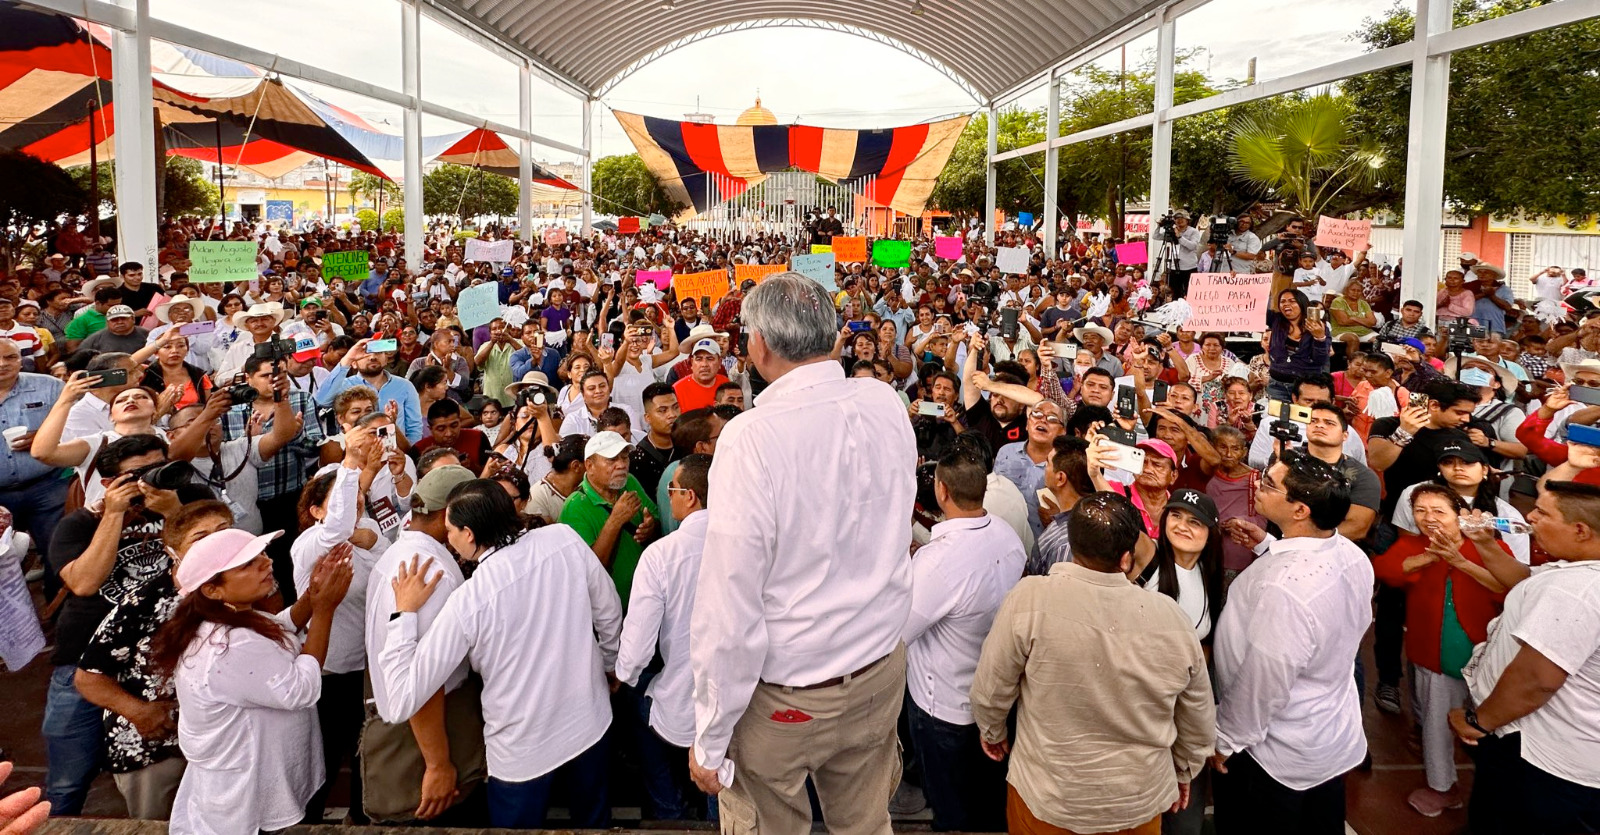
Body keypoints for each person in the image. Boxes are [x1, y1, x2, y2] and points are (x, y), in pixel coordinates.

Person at [688, 273, 916, 835]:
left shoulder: (750, 437)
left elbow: (730, 608)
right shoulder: (883, 402)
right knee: (866, 823)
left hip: (789, 697)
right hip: (878, 671)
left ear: (757, 344)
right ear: (835, 339)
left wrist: (711, 737)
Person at [379, 484, 624, 829]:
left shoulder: (470, 601)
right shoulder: (564, 540)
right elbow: (609, 611)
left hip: (522, 753)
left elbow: (404, 698)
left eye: (449, 531)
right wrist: (611, 664)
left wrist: (403, 615)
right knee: (594, 822)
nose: (447, 539)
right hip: (588, 723)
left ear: (469, 534)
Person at [971, 492, 1214, 835]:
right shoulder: (1172, 620)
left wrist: (993, 730)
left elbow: (990, 689)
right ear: (1127, 558)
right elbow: (1198, 718)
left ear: (1072, 543)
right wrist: (1184, 770)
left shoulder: (1030, 598)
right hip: (1137, 804)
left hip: (1048, 799)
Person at [150, 527, 353, 834]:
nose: (266, 563)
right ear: (212, 590)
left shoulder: (232, 617)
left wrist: (312, 596)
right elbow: (300, 689)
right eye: (247, 564)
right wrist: (324, 610)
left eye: (262, 555)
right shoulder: (228, 645)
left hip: (258, 775)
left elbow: (279, 628)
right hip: (249, 793)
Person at [1211, 450, 1372, 834]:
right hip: (1327, 733)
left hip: (1275, 751)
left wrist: (1227, 738)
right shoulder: (1350, 554)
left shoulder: (1286, 589)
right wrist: (1267, 544)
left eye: (1268, 484)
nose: (1257, 485)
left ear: (1300, 510)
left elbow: (1265, 678)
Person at [70, 500, 234, 821]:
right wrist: (140, 712)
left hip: (219, 741)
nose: (215, 543)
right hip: (156, 749)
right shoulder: (143, 602)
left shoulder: (246, 586)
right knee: (159, 825)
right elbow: (87, 677)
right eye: (200, 538)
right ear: (173, 551)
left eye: (224, 531)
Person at [1451, 481, 1600, 834]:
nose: (1530, 517)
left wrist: (1479, 720)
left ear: (1580, 530)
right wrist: (1485, 542)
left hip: (1543, 760)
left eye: (1543, 513)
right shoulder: (1574, 571)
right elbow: (1522, 580)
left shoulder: (1576, 590)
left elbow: (1537, 679)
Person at [902, 447, 1024, 832]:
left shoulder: (937, 562)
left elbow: (898, 632)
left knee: (952, 813)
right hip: (998, 704)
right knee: (989, 806)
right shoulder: (1006, 534)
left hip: (946, 713)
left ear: (941, 491)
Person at [1373, 484, 1514, 818]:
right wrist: (1431, 556)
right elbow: (1386, 570)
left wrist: (1459, 561)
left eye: (1438, 511)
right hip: (1432, 650)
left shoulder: (1491, 546)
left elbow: (1509, 590)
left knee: (1493, 723)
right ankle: (1442, 787)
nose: (1428, 518)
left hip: (1486, 651)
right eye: (1420, 511)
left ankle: (1497, 789)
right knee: (1435, 722)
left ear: (1459, 514)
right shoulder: (1413, 544)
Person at [362, 464, 485, 825]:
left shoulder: (409, 549)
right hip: (429, 728)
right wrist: (438, 763)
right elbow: (424, 679)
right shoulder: (425, 569)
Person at [616, 454, 714, 822]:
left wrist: (623, 675)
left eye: (671, 490)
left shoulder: (662, 554)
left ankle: (668, 815)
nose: (667, 498)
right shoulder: (755, 543)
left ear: (689, 496)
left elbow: (638, 648)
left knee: (640, 708)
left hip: (680, 696)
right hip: (743, 697)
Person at [559, 430, 661, 604]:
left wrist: (650, 528)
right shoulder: (575, 506)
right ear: (589, 465)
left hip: (646, 595)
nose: (621, 465)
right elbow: (592, 570)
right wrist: (615, 521)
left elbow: (656, 523)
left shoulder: (630, 482)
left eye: (624, 457)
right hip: (611, 609)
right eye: (612, 459)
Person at [0, 339, 69, 561]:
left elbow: (77, 424)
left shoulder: (50, 386)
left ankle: (57, 595)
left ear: (22, 360)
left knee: (58, 552)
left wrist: (43, 436)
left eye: (10, 357)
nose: (2, 364)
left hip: (47, 487)